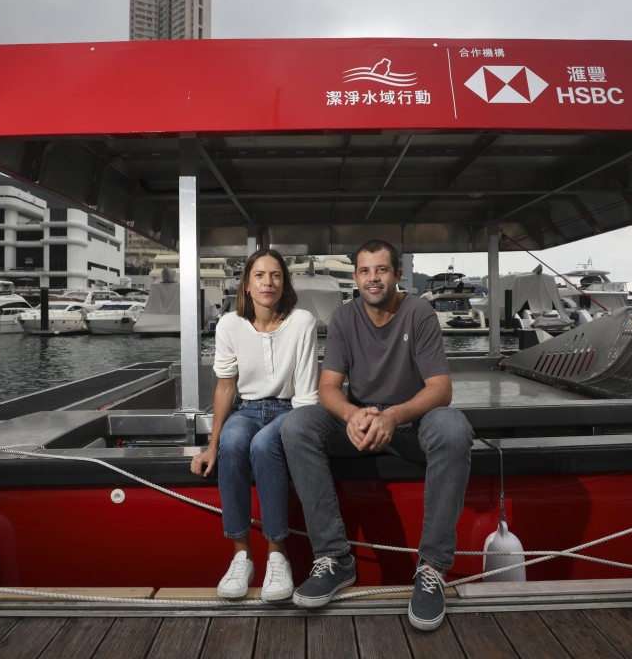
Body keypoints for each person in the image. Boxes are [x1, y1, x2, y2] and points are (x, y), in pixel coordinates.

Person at [280, 239, 473, 631]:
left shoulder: (420, 313)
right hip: (362, 422)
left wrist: (394, 416)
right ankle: (335, 558)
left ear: (397, 275)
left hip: (410, 424)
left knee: (454, 428)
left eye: (381, 270)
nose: (373, 278)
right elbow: (329, 387)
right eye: (365, 271)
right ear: (355, 277)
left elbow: (440, 389)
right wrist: (352, 416)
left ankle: (432, 568)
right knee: (296, 426)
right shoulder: (343, 317)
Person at [190, 249, 318, 602]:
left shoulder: (302, 322)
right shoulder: (229, 325)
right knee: (232, 442)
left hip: (291, 410)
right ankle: (241, 555)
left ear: (284, 283)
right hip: (247, 410)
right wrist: (211, 445)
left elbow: (308, 396)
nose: (268, 282)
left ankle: (278, 556)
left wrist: (300, 429)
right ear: (246, 285)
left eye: (275, 275)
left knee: (264, 445)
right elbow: (226, 386)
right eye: (259, 275)